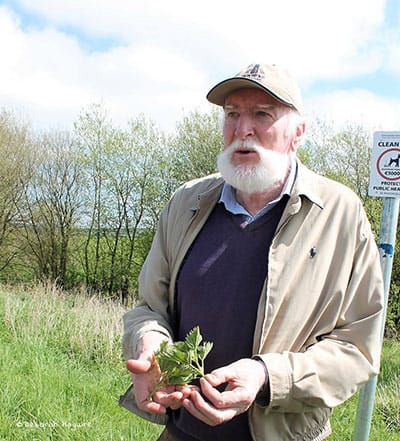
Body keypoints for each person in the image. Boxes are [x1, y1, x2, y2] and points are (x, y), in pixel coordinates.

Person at [120, 63, 384, 441]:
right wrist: (151, 343)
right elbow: (147, 308)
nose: (243, 129)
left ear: (298, 133)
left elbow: (358, 348)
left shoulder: (340, 213)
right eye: (232, 114)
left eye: (262, 114)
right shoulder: (186, 202)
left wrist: (266, 377)